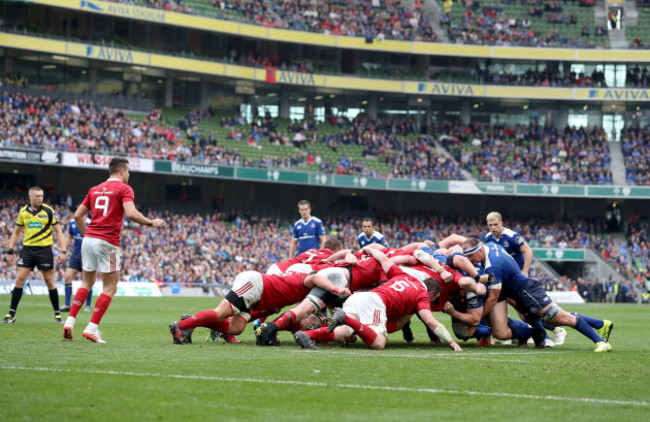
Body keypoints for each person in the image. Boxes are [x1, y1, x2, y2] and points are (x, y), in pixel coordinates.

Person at [63, 157, 166, 343]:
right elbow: (132, 214)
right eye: (128, 171)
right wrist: (152, 222)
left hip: (89, 241)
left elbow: (78, 215)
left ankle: (69, 322)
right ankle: (91, 328)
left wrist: (88, 234)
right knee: (110, 287)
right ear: (122, 171)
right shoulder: (124, 189)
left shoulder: (95, 189)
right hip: (107, 242)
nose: (129, 175)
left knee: (86, 283)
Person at [295, 246, 462, 351]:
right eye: (434, 299)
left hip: (359, 297)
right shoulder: (423, 295)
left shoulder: (403, 274)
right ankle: (343, 317)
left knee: (345, 333)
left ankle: (308, 335)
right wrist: (450, 341)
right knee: (379, 343)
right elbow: (431, 321)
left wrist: (368, 249)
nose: (432, 302)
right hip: (374, 303)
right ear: (432, 293)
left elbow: (383, 259)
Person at [462, 238, 614, 352]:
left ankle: (601, 342)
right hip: (518, 293)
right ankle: (600, 325)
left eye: (470, 256)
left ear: (479, 249)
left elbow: (494, 297)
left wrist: (476, 321)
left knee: (563, 318)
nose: (470, 260)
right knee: (554, 320)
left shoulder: (493, 265)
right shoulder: (490, 246)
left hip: (527, 292)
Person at [169, 270, 349, 344]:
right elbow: (316, 277)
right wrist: (336, 289)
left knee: (236, 327)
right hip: (255, 284)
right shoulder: (305, 279)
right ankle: (181, 326)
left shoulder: (297, 295)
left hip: (257, 296)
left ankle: (191, 323)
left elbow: (262, 313)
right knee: (220, 313)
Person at [484, 212, 566, 346]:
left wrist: (525, 271)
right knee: (522, 311)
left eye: (495, 224)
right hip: (505, 278)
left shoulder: (511, 236)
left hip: (517, 277)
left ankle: (552, 333)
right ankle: (541, 334)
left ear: (501, 223)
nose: (493, 228)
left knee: (525, 310)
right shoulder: (488, 238)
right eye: (490, 225)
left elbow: (528, 251)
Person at [1, 187, 67, 324]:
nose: (40, 198)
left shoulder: (48, 211)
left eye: (41, 196)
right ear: (30, 197)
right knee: (19, 280)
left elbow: (59, 232)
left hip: (44, 250)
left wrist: (63, 251)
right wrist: (10, 251)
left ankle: (57, 315)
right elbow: (16, 233)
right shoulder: (23, 212)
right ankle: (11, 315)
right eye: (37, 196)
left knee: (50, 282)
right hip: (28, 250)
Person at [60, 215, 93, 313]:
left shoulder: (90, 223)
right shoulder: (72, 223)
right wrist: (64, 251)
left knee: (87, 280)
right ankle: (67, 304)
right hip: (76, 255)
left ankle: (88, 305)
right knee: (67, 277)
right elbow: (70, 237)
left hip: (87, 255)